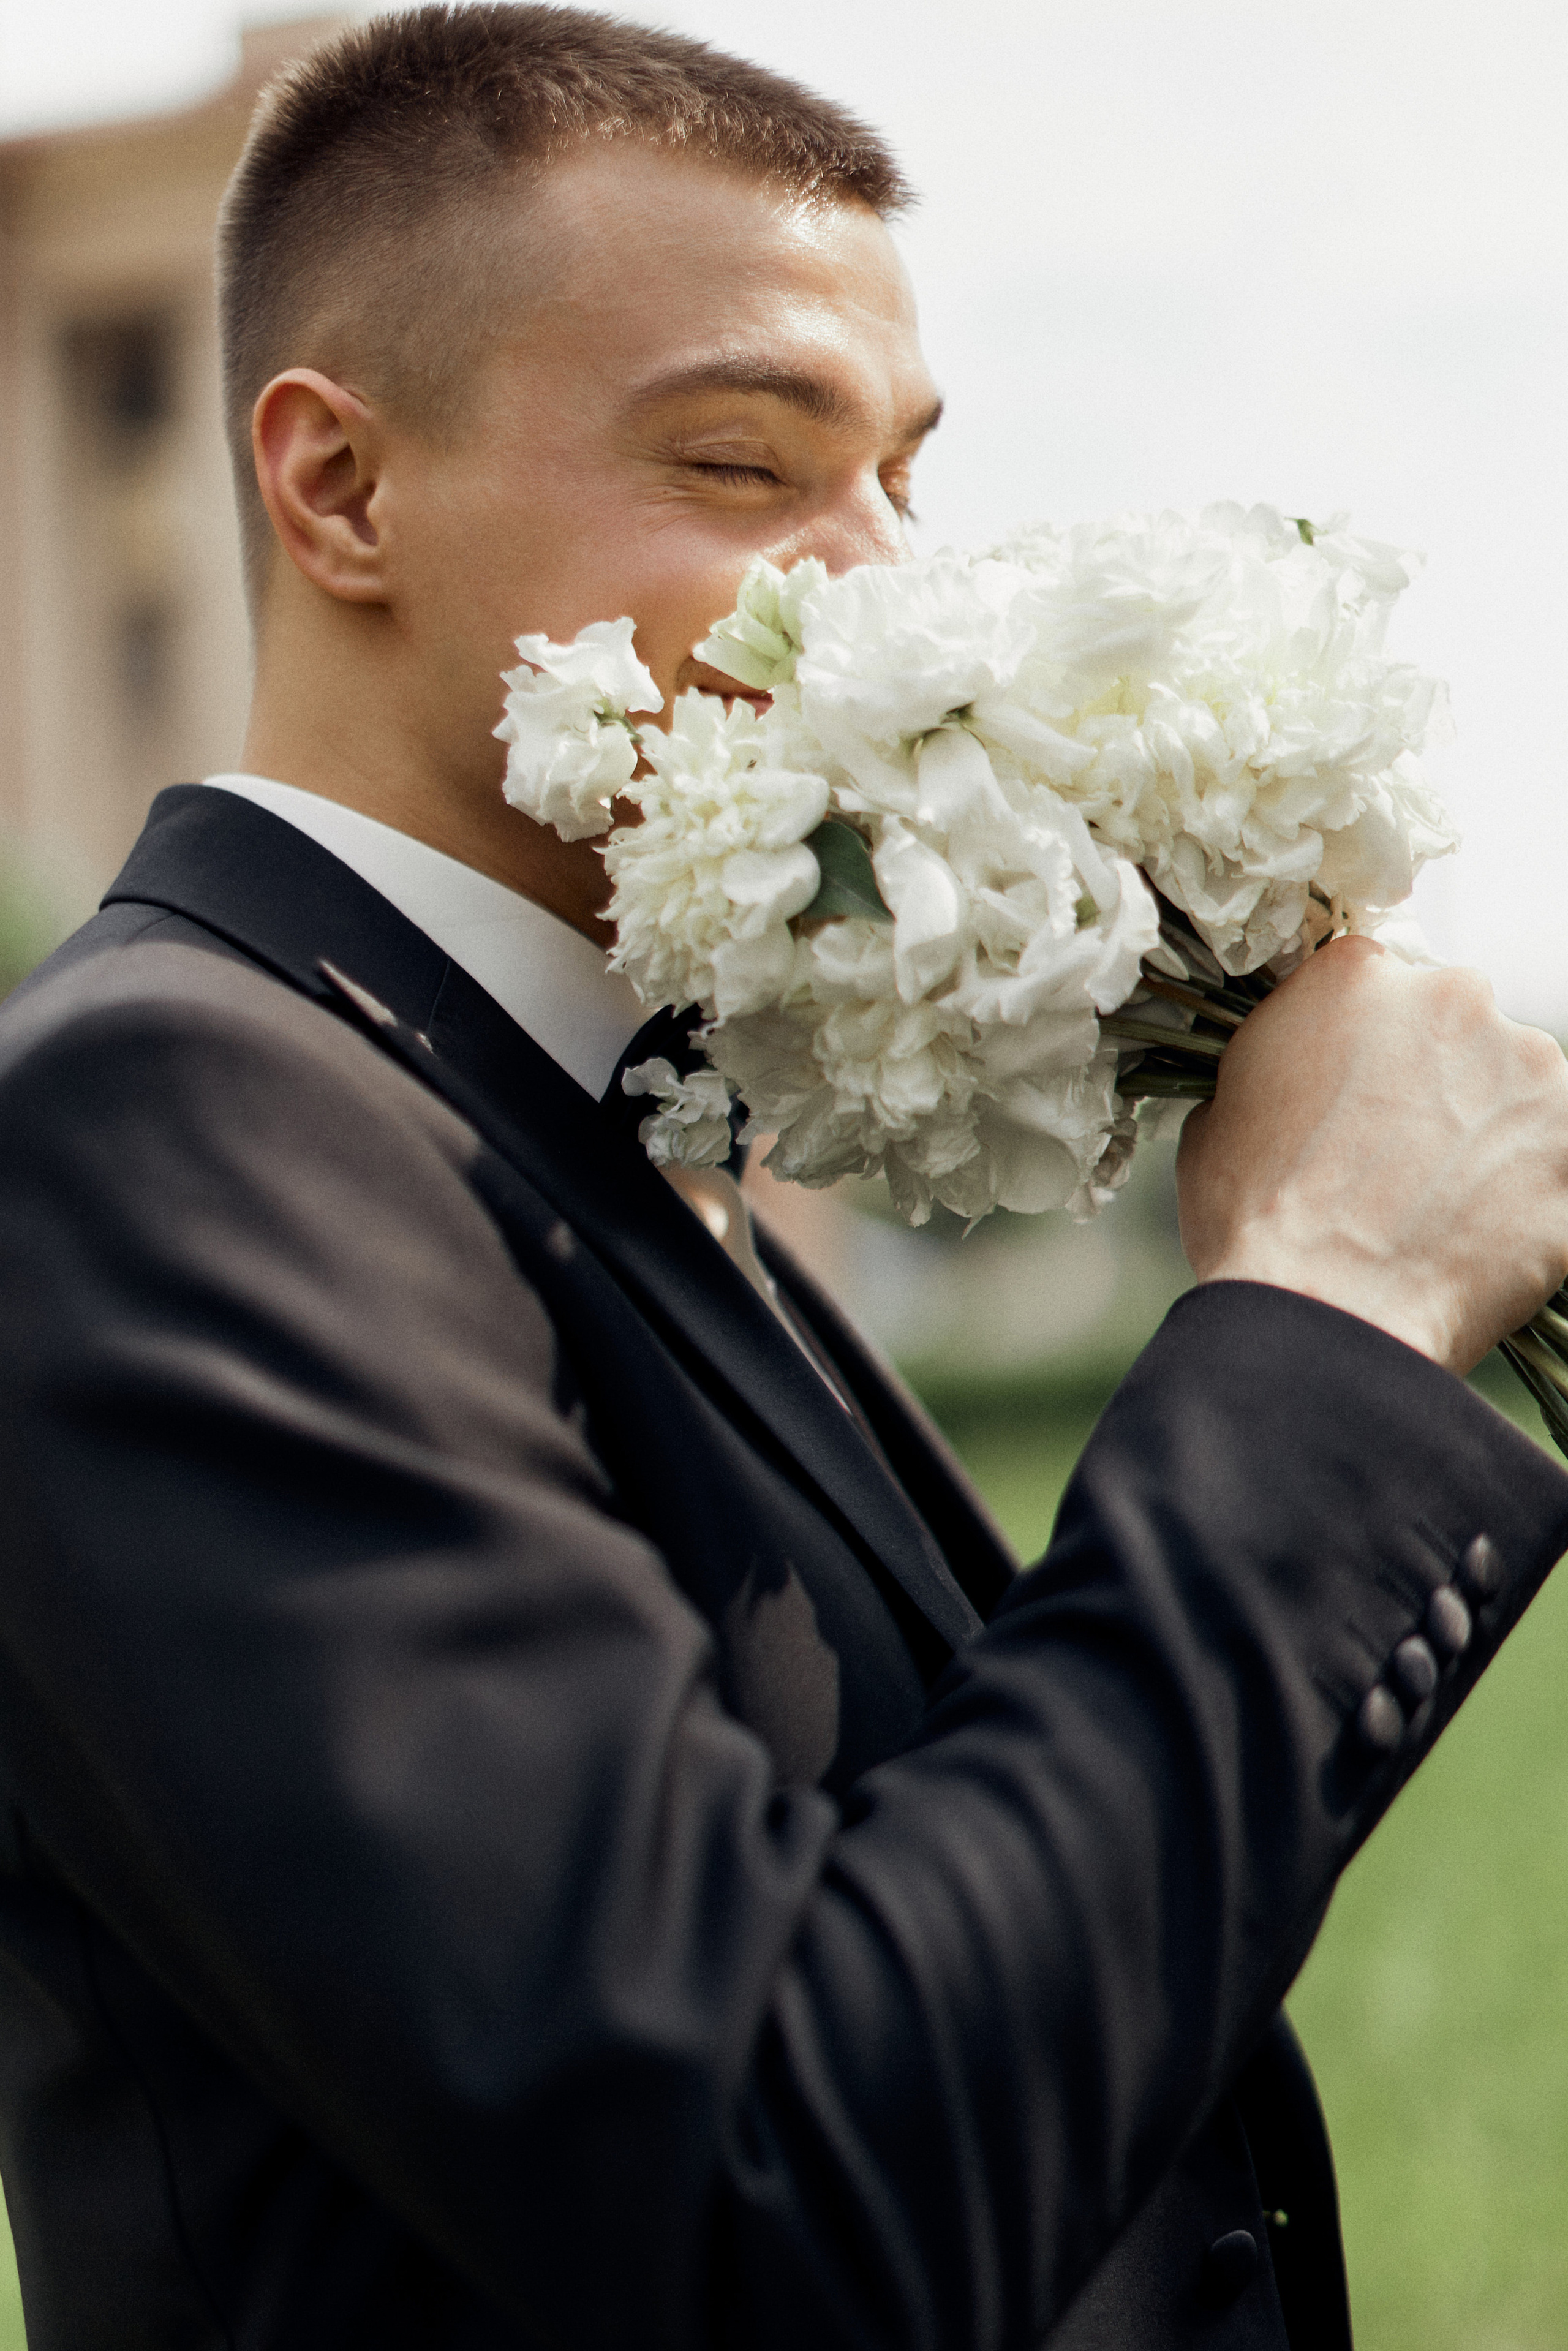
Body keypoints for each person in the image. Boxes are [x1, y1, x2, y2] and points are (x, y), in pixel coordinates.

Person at [1, 8, 1566, 2346]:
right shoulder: (165, 1124)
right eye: (742, 467)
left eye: (904, 486)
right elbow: (770, 2187)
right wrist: (1333, 1305)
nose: (882, 601)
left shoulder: (586, 1116)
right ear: (339, 492)